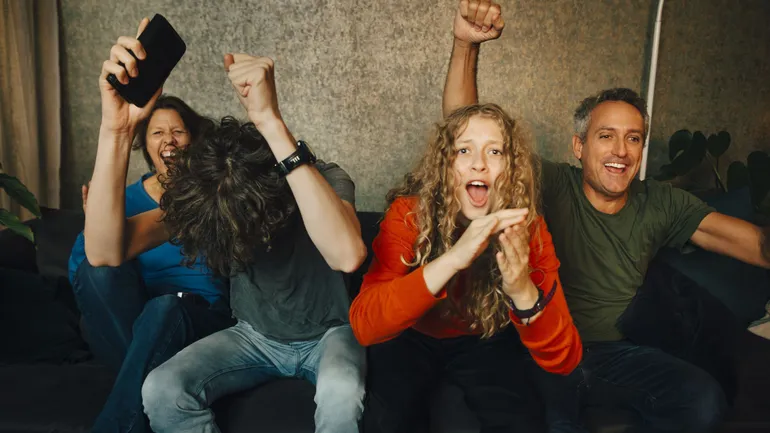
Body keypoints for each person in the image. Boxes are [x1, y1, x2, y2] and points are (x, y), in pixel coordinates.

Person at [442, 1, 770, 432]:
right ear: (579, 147)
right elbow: (464, 132)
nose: (621, 151)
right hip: (543, 345)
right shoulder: (550, 182)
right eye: (606, 136)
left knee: (704, 399)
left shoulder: (663, 203)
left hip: (618, 355)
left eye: (633, 139)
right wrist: (466, 45)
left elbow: (751, 244)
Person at [138, 52, 368, 433]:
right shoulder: (214, 195)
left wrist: (268, 119)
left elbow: (348, 255)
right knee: (162, 388)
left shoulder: (327, 177)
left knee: (341, 392)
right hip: (253, 336)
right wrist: (115, 128)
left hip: (330, 333)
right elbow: (103, 252)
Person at [350, 102, 582, 433]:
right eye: (464, 150)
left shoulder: (528, 227)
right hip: (412, 338)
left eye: (495, 152)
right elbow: (364, 325)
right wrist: (455, 257)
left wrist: (523, 292)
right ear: (446, 165)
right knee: (386, 421)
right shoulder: (409, 215)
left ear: (511, 169)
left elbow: (565, 360)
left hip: (483, 339)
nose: (479, 165)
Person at [68, 18, 233, 433]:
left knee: (166, 309)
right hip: (134, 317)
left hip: (199, 321)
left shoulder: (210, 194)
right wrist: (116, 128)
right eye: (157, 132)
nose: (169, 139)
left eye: (178, 131)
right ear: (145, 144)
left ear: (193, 141)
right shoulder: (118, 200)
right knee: (98, 268)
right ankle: (148, 382)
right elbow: (92, 274)